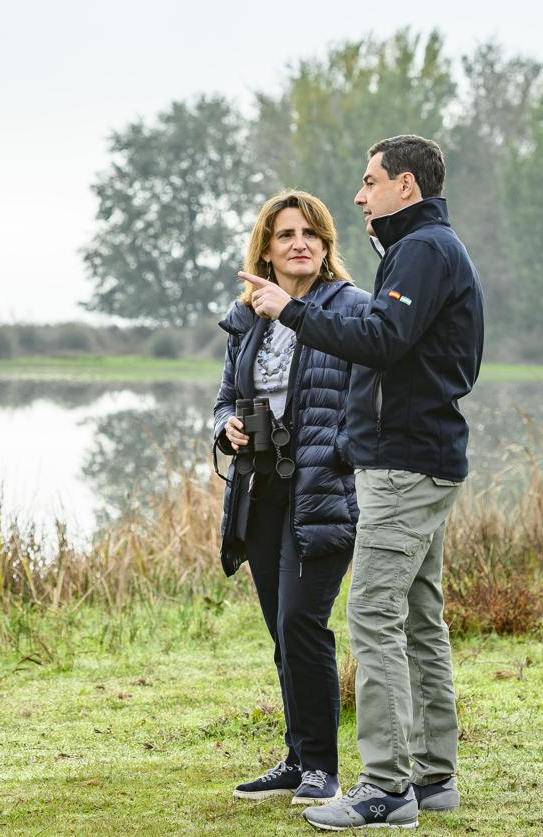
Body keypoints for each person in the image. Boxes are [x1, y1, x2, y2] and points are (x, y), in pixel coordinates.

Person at [240, 135, 485, 831]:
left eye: (370, 181)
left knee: (374, 616)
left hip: (406, 464)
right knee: (416, 615)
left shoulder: (425, 251)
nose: (359, 194)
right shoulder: (422, 249)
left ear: (405, 185)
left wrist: (290, 311)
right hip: (420, 456)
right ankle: (434, 776)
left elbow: (381, 338)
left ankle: (386, 786)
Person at [213, 190, 370, 807]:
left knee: (303, 622)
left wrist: (339, 450)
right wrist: (225, 426)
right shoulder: (248, 317)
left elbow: (369, 400)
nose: (299, 242)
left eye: (311, 233)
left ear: (328, 246)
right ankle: (298, 758)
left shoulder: (351, 308)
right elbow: (227, 396)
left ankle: (322, 771)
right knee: (282, 631)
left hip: (323, 489)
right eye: (285, 235)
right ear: (266, 250)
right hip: (260, 490)